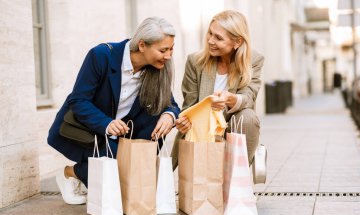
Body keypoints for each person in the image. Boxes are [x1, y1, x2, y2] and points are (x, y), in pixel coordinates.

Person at [48, 17, 180, 205]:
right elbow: (78, 100)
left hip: (123, 135)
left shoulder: (158, 69)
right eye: (163, 50)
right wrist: (107, 123)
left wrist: (169, 115)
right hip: (89, 130)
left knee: (132, 169)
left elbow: (171, 104)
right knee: (122, 170)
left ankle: (87, 174)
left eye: (171, 48)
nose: (169, 56)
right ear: (142, 45)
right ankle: (69, 173)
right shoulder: (101, 56)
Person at [172, 10, 264, 170]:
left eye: (218, 38)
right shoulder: (195, 62)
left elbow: (249, 95)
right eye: (210, 33)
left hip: (233, 125)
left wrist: (231, 99)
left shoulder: (253, 60)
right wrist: (184, 121)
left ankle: (237, 178)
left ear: (237, 42)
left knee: (248, 116)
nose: (210, 41)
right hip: (203, 127)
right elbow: (189, 106)